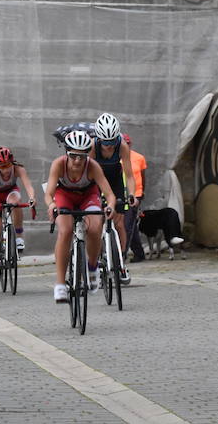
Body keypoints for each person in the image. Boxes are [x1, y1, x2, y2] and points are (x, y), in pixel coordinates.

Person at [45, 129, 118, 303]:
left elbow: (109, 194)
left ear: (87, 155)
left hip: (88, 196)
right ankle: (60, 284)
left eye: (82, 156)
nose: (78, 160)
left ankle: (92, 267)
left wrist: (111, 206)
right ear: (66, 153)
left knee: (94, 227)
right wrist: (52, 205)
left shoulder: (93, 166)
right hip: (65, 196)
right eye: (73, 156)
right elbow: (49, 193)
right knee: (65, 231)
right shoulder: (58, 164)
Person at [91, 112, 136, 283]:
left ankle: (121, 263)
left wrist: (131, 194)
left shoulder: (122, 145)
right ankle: (96, 261)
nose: (109, 146)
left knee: (118, 223)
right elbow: (88, 173)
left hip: (115, 180)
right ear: (99, 138)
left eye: (112, 142)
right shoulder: (93, 146)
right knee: (95, 223)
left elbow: (129, 175)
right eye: (106, 142)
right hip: (96, 179)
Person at [0, 146, 36, 282]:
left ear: (12, 162)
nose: (5, 170)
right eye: (1, 167)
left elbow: (28, 186)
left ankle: (18, 236)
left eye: (7, 165)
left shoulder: (18, 169)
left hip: (10, 192)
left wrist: (32, 198)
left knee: (16, 201)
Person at [122, 134, 148, 262]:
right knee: (130, 225)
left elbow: (143, 177)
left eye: (128, 143)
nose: (126, 145)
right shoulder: (115, 158)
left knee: (127, 225)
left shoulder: (139, 158)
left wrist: (141, 193)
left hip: (135, 195)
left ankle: (122, 254)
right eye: (123, 143)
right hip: (120, 194)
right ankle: (139, 254)